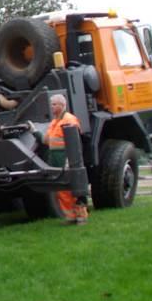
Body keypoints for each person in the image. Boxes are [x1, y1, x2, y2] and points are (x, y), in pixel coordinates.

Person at [46, 93, 89, 224]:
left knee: (74, 188)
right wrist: (33, 131)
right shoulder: (54, 122)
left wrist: (70, 161)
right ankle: (71, 217)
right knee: (62, 189)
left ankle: (81, 216)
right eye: (51, 104)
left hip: (67, 157)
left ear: (62, 105)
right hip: (56, 159)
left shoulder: (69, 120)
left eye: (54, 104)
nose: (51, 107)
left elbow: (75, 143)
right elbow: (47, 140)